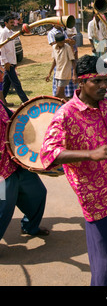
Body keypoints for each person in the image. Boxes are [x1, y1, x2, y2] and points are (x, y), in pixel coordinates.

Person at [40, 54, 107, 286]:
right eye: (97, 81)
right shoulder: (66, 114)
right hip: (95, 199)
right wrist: (90, 155)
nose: (104, 85)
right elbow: (48, 154)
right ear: (81, 82)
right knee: (104, 268)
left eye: (105, 79)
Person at [0, 101, 49, 240]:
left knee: (37, 194)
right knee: (3, 208)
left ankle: (30, 226)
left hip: (16, 161)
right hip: (2, 172)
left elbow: (15, 118)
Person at [0, 15, 28, 104]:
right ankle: (26, 101)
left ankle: (2, 102)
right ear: (6, 23)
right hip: (8, 62)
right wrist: (5, 62)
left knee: (6, 84)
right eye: (11, 23)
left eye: (13, 22)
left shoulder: (11, 32)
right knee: (16, 83)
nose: (13, 24)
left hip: (12, 61)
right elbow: (1, 48)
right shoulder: (3, 33)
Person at [47, 24, 77, 99]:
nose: (62, 43)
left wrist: (74, 74)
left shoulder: (67, 48)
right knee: (60, 95)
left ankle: (69, 105)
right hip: (58, 73)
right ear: (56, 42)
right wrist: (49, 73)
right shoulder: (54, 47)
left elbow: (73, 61)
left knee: (58, 94)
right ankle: (67, 104)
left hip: (65, 74)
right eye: (60, 42)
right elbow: (54, 61)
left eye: (63, 42)